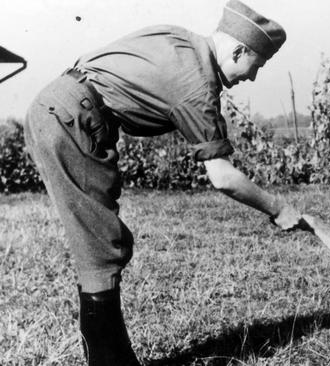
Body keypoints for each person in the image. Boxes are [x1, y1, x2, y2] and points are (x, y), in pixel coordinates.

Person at [23, 1, 301, 365]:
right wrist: (278, 208)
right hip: (72, 120)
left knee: (97, 243)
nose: (252, 77)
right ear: (238, 49)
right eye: (257, 65)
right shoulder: (198, 86)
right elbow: (223, 177)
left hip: (59, 107)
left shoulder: (180, 39)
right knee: (101, 248)